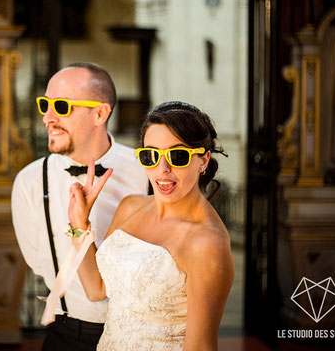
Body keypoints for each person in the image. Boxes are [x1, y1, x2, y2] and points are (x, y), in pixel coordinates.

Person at [67, 101, 234, 350]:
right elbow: (96, 289)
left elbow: (200, 346)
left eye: (177, 156)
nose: (162, 170)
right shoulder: (129, 207)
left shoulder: (207, 242)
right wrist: (78, 223)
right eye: (150, 155)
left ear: (203, 160)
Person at [11, 62, 149, 350]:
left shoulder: (145, 172)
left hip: (138, 333)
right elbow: (37, 261)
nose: (48, 117)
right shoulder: (30, 181)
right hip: (68, 336)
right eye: (44, 105)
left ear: (100, 113)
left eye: (61, 106)